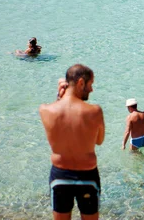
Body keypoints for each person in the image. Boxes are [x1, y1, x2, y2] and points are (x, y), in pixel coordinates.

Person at [39, 64, 105, 220]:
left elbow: (58, 124)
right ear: (81, 82)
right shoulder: (94, 111)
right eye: (90, 84)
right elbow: (99, 140)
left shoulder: (45, 110)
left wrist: (58, 97)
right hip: (87, 176)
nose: (91, 89)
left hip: (60, 175)